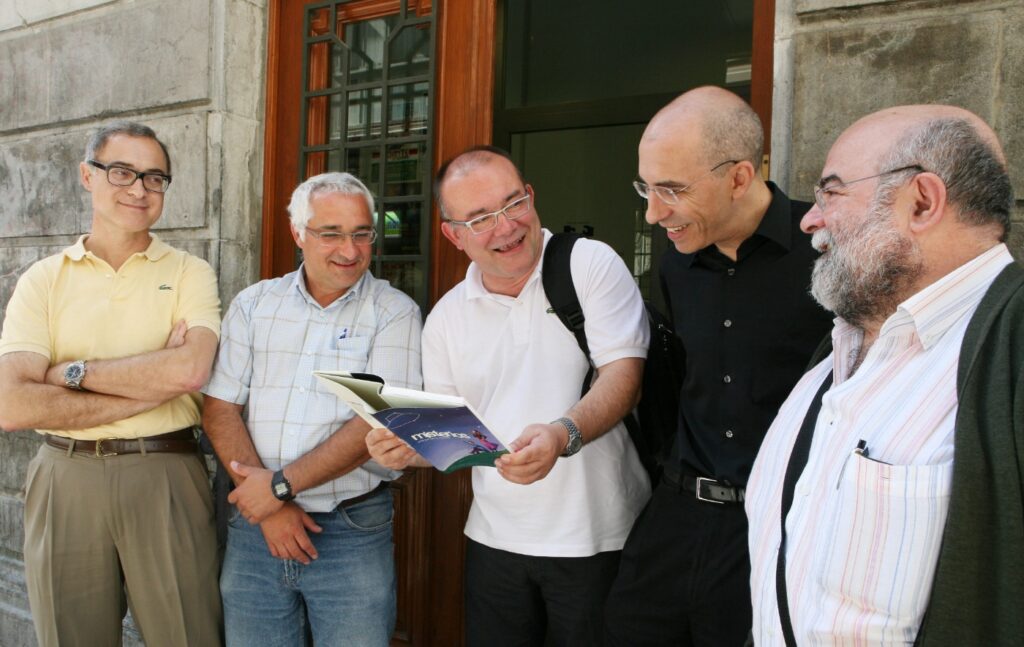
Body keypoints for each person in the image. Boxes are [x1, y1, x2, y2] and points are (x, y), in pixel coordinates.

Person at [747, 105, 1023, 645]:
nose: (809, 218)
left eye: (832, 193)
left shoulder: (1011, 346)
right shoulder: (836, 351)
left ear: (922, 202)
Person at [367, 146, 650, 646]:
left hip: (598, 537)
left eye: (512, 203)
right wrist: (410, 450)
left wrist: (562, 435)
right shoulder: (447, 318)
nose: (506, 227)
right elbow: (456, 437)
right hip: (494, 542)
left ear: (531, 196)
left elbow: (624, 377)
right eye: (480, 219)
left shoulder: (587, 264)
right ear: (452, 234)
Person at [603, 87, 834, 646]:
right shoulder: (675, 265)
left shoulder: (831, 252)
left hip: (779, 527)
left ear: (739, 177)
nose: (654, 214)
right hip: (676, 515)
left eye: (673, 190)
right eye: (646, 188)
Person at [0, 121, 222, 646]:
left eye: (154, 178)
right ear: (87, 176)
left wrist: (69, 376)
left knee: (186, 637)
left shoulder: (192, 272)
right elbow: (11, 404)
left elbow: (189, 371)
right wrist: (151, 381)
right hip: (64, 478)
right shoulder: (43, 279)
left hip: (164, 473)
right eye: (121, 172)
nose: (138, 189)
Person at [201, 171, 422, 647]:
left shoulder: (394, 312)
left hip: (349, 529)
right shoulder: (254, 304)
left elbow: (376, 420)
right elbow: (220, 407)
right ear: (298, 233)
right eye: (332, 234)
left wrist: (279, 488)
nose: (350, 249)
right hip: (255, 530)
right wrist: (271, 508)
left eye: (362, 234)